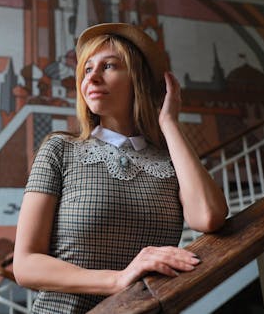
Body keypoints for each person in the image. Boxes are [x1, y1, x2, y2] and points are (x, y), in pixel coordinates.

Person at [13, 23, 228, 313]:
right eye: (87, 70)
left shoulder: (169, 161)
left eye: (109, 66)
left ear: (137, 79)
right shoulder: (59, 150)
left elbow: (209, 217)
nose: (93, 77)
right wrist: (118, 279)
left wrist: (169, 123)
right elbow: (26, 265)